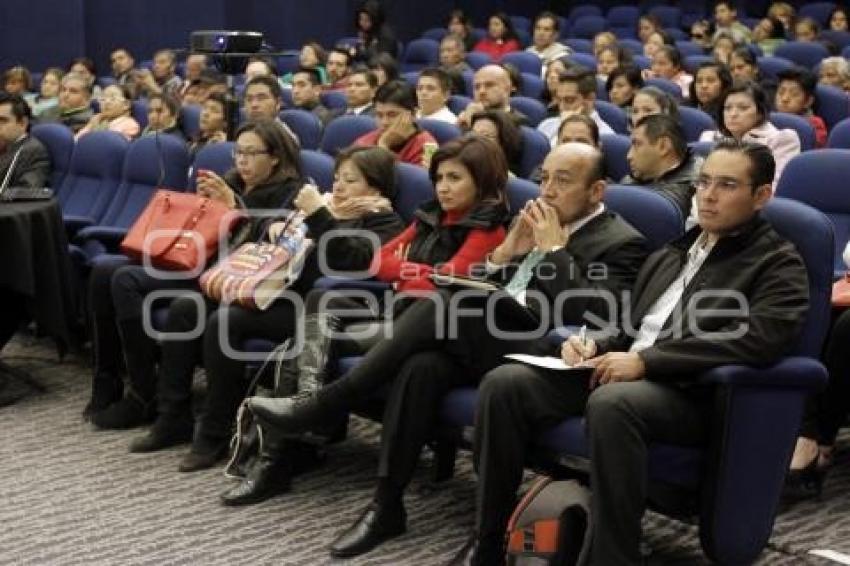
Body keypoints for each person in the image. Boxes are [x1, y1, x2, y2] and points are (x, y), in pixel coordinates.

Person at [248, 142, 649, 560]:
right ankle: (386, 505)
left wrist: (554, 252)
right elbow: (485, 282)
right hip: (483, 332)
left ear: (597, 191)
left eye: (562, 182)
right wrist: (505, 253)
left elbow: (594, 316)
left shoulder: (622, 242)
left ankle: (326, 402)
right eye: (544, 177)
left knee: (441, 304)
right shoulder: (531, 220)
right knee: (422, 366)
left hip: (545, 349)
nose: (547, 190)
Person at [533, 139, 808, 566]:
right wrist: (599, 343)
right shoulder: (676, 250)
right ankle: (493, 534)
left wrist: (647, 361)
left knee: (613, 402)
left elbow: (760, 338)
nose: (709, 195)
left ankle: (613, 557)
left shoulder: (777, 262)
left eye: (727, 185)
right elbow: (634, 323)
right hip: (633, 374)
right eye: (704, 182)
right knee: (509, 384)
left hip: (689, 393)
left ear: (762, 196)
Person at [130, 146, 406, 475]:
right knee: (186, 308)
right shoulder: (324, 207)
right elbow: (265, 241)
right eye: (337, 178)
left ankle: (215, 433)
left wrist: (320, 216)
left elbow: (353, 262)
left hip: (310, 306)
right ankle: (172, 415)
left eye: (350, 180)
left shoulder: (384, 220)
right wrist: (280, 227)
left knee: (225, 320)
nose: (340, 187)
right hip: (268, 289)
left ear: (375, 187)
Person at [86, 119, 306, 429]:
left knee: (125, 280)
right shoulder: (231, 180)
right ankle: (106, 378)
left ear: (275, 156)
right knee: (103, 269)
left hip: (223, 276)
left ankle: (143, 394)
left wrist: (234, 208)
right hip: (193, 257)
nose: (242, 160)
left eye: (251, 153)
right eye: (238, 152)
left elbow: (262, 254)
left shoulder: (290, 194)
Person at [699, 80, 800, 188]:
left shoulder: (782, 139)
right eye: (728, 108)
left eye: (743, 108)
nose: (733, 114)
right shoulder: (709, 138)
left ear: (760, 113)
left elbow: (773, 188)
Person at [623, 114, 702, 218]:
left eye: (637, 144)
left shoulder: (694, 190)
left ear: (663, 146)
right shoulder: (634, 178)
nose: (629, 156)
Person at [354, 80, 438, 167]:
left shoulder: (426, 148)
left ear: (413, 114)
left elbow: (400, 179)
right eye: (379, 115)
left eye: (392, 115)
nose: (384, 122)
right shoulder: (364, 142)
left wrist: (383, 145)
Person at [537, 68, 615, 147]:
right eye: (559, 100)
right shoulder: (546, 125)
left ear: (590, 98)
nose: (561, 107)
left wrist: (565, 127)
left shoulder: (605, 136)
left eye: (569, 100)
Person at [0, 92, 51, 188]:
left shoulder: (32, 151)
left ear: (23, 123)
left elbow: (25, 192)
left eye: (2, 121)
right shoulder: (3, 145)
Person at [457, 64, 527, 129]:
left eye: (489, 85)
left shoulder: (518, 123)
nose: (481, 91)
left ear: (507, 88)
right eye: (477, 87)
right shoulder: (468, 116)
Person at [776, 67, 828, 148]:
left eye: (794, 94)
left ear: (808, 102)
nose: (784, 98)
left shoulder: (815, 125)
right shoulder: (765, 118)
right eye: (781, 92)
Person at [242, 75, 299, 144]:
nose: (254, 105)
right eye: (249, 99)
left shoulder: (285, 140)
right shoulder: (241, 133)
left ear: (278, 103)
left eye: (261, 98)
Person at [470, 110, 523, 176]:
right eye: (473, 134)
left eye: (485, 136)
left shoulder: (505, 180)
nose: (474, 140)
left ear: (503, 144)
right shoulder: (460, 166)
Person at [188, 92, 234, 157]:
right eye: (205, 107)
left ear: (225, 122)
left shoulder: (220, 145)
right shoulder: (194, 139)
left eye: (214, 110)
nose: (205, 113)